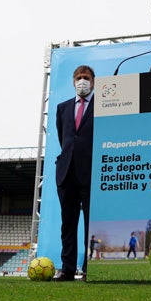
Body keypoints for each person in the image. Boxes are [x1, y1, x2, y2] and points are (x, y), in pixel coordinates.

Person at [54, 65, 95, 281]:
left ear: (93, 81)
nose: (82, 81)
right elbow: (65, 139)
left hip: (91, 172)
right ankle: (67, 269)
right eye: (78, 77)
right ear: (72, 81)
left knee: (91, 223)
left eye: (86, 78)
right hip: (66, 172)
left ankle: (90, 269)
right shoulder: (62, 108)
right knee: (67, 223)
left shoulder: (103, 106)